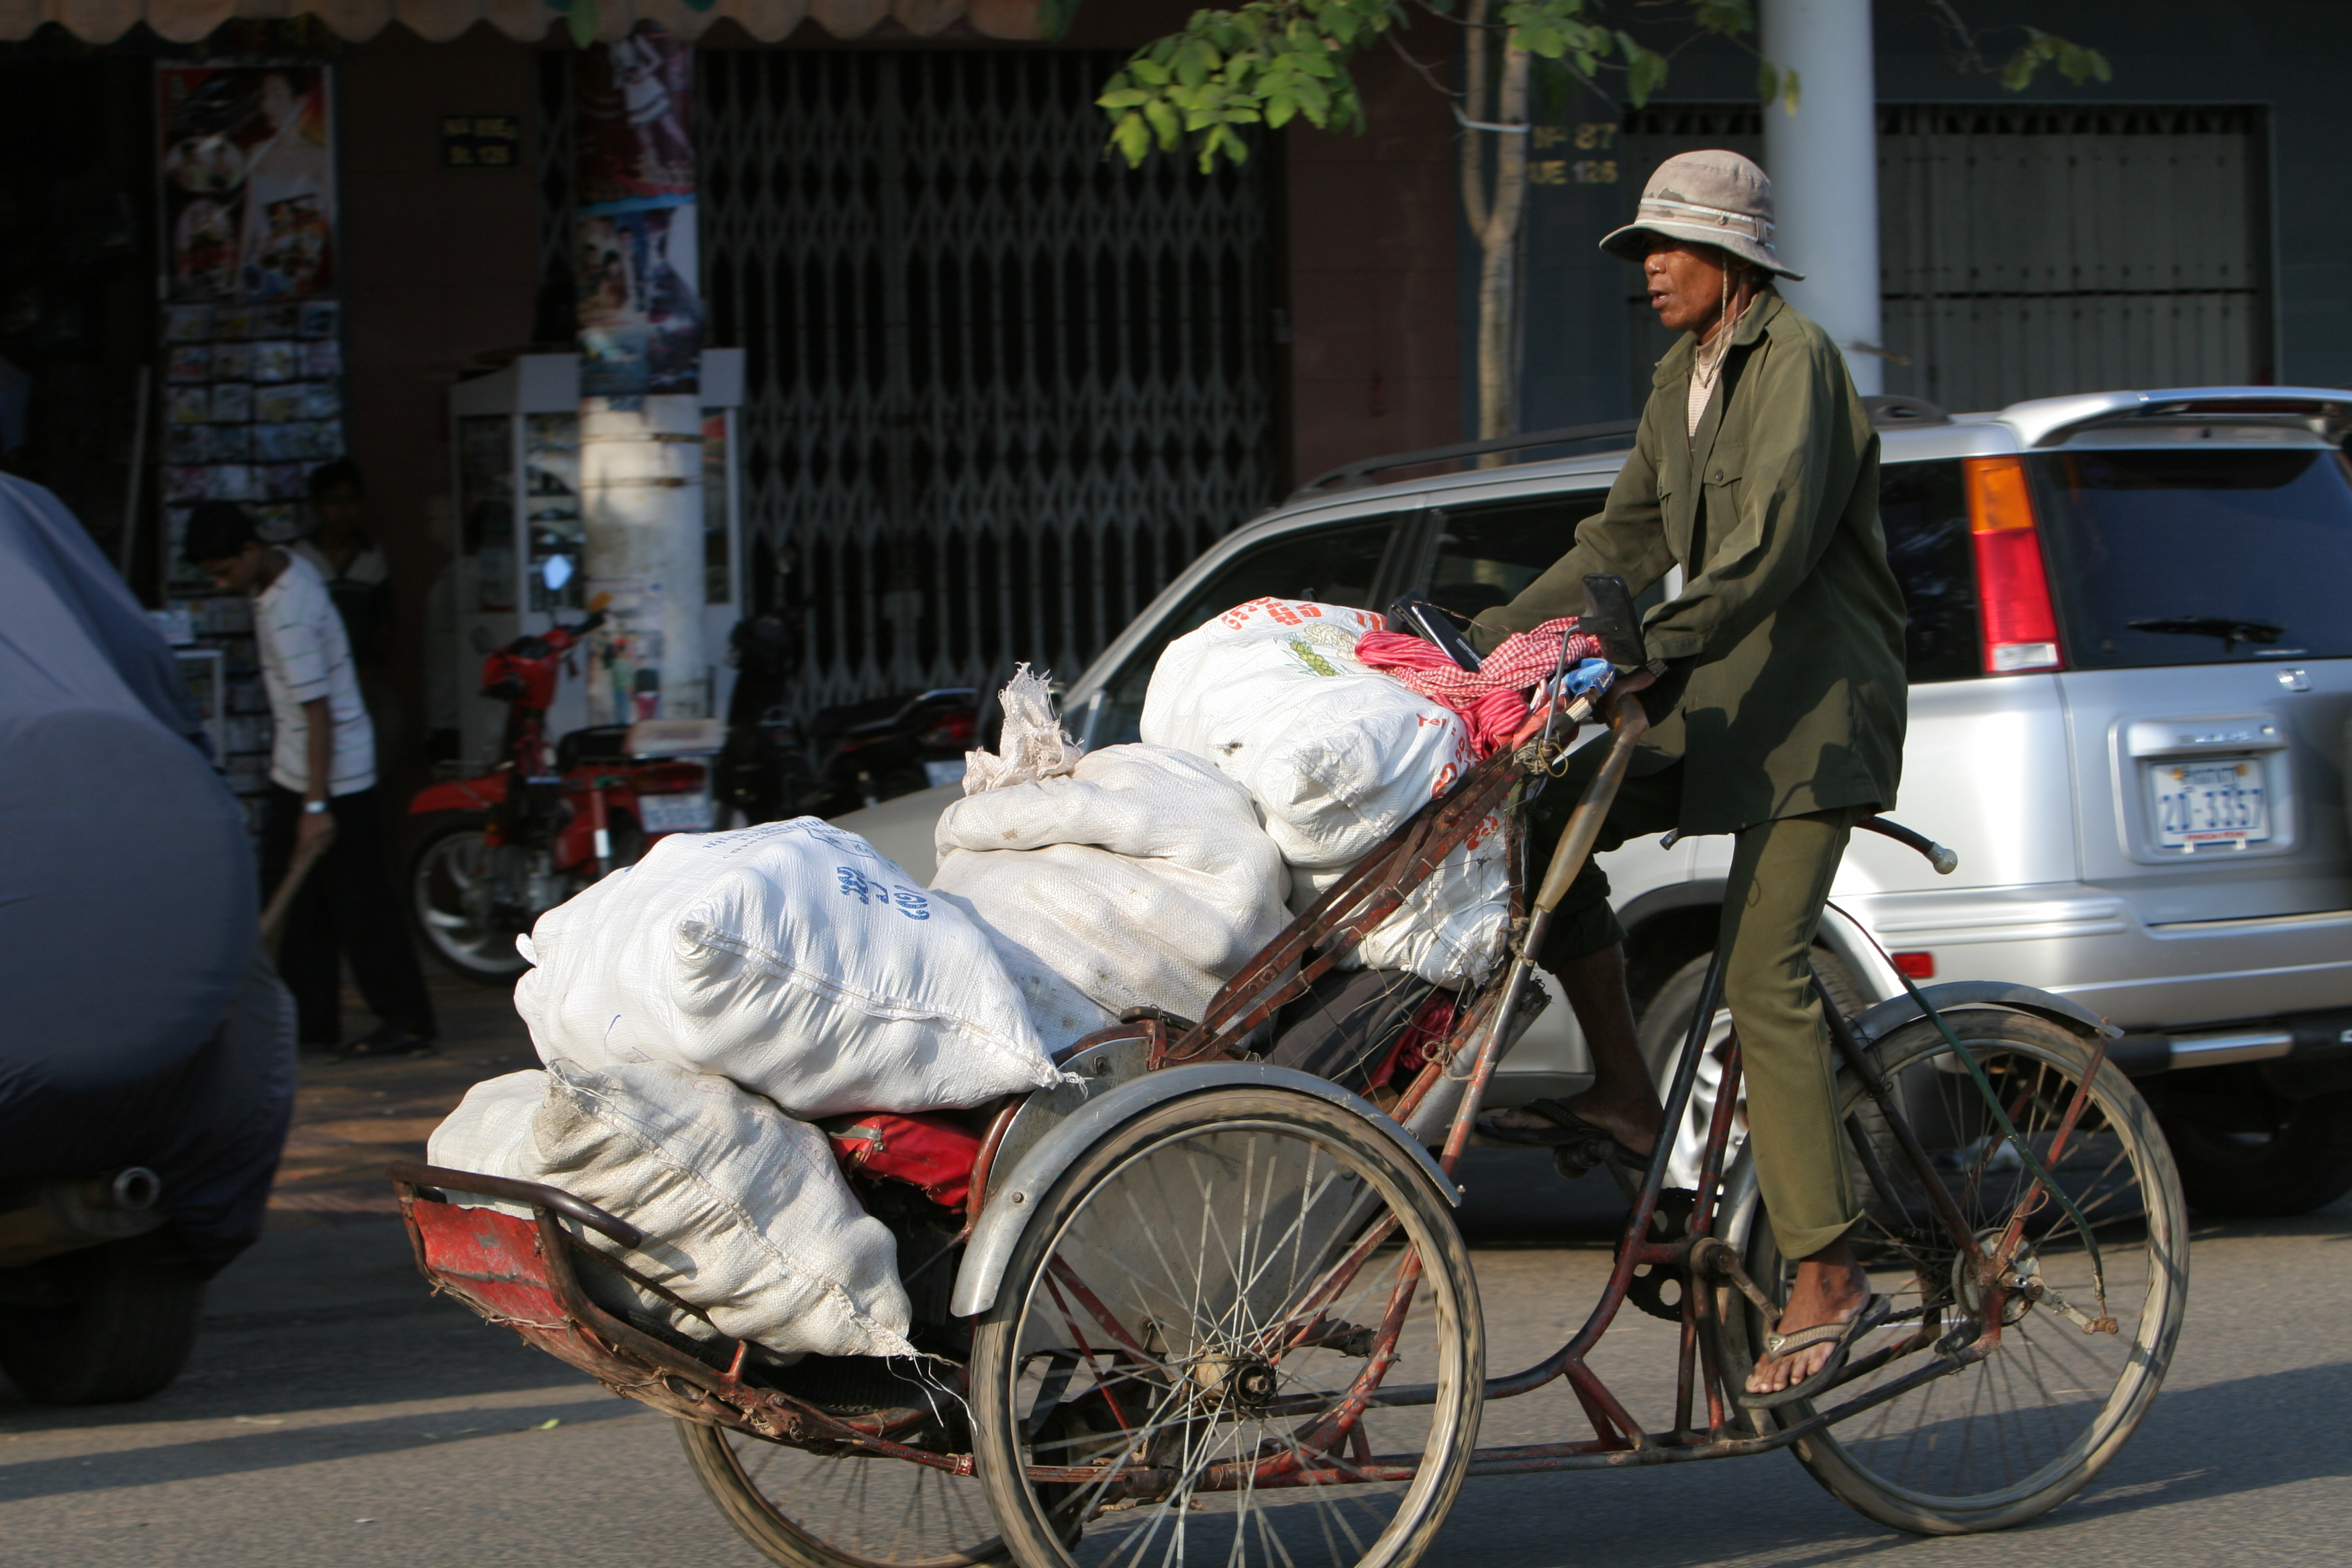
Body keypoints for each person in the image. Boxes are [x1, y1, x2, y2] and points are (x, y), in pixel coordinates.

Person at [1469, 150, 1908, 1403]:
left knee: (1760, 972)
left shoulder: (1798, 365)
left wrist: (1636, 654)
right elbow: (1626, 536)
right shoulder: (1684, 373)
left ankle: (1825, 1268)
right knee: (1543, 818)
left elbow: (1764, 552)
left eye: (1668, 246)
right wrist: (1492, 642)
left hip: (1813, 716)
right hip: (1721, 706)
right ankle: (1619, 1081)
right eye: (1641, 248)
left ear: (1732, 259)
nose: (1647, 266)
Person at [185, 500, 438, 1059]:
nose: (224, 584)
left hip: (333, 776)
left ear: (250, 551)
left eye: (225, 571)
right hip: (298, 770)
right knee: (302, 907)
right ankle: (309, 1022)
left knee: (360, 903)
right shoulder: (282, 571)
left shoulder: (290, 611)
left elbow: (318, 714)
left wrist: (317, 808)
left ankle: (408, 1019)